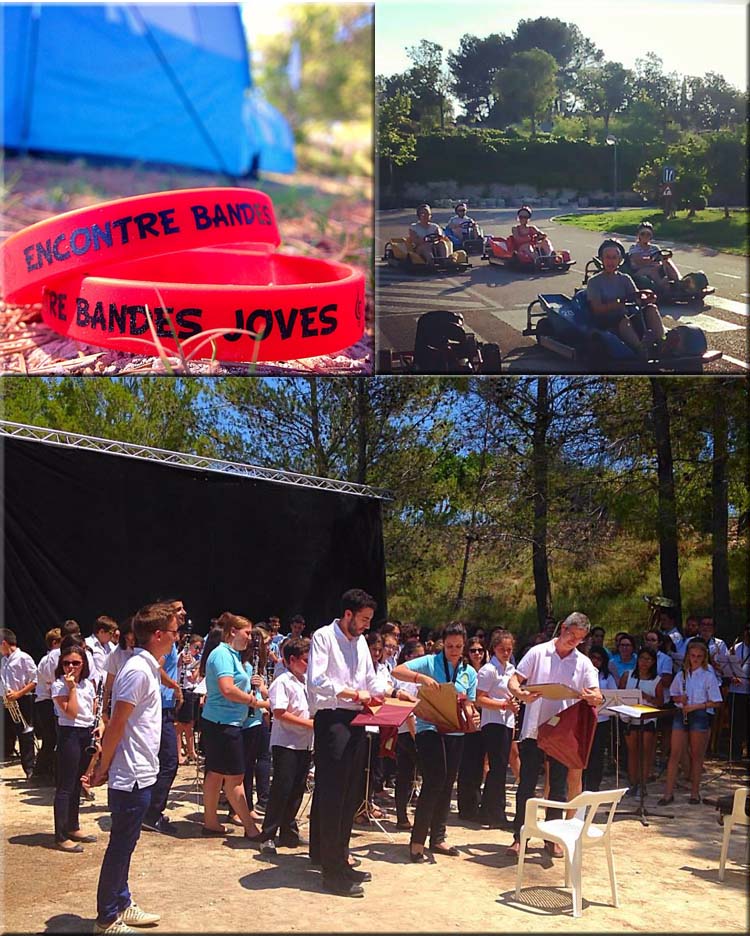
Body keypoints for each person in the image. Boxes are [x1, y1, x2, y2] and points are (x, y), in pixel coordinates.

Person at [90, 601, 177, 934]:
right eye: (172, 632)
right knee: (120, 845)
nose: (176, 638)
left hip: (141, 770)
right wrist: (103, 766)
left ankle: (122, 903)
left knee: (127, 843)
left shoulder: (147, 667)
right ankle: (106, 917)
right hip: (129, 773)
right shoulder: (137, 671)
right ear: (157, 635)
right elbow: (116, 724)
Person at [505, 611, 602, 859]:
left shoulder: (583, 662)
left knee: (557, 787)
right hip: (534, 728)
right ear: (563, 629)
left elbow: (597, 694)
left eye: (580, 638)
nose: (574, 641)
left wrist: (593, 697)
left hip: (561, 732)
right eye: (572, 635)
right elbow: (514, 681)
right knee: (526, 784)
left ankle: (552, 838)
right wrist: (522, 694)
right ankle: (520, 836)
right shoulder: (538, 652)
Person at [306, 588, 382, 897]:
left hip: (357, 720)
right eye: (363, 619)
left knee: (350, 792)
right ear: (348, 614)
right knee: (333, 792)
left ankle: (338, 857)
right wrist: (353, 694)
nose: (366, 626)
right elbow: (317, 680)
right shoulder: (323, 637)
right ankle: (331, 873)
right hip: (333, 719)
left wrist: (381, 692)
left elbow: (369, 677)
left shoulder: (361, 641)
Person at [391, 621, 479, 863]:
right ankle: (417, 840)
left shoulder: (469, 672)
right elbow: (396, 671)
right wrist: (422, 678)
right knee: (434, 780)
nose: (453, 650)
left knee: (448, 782)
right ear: (443, 644)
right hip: (428, 726)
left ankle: (438, 837)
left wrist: (472, 713)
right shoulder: (430, 662)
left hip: (455, 730)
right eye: (449, 645)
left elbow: (470, 702)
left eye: (458, 646)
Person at [199, 612, 263, 839]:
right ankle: (251, 828)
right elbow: (227, 688)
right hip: (223, 724)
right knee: (235, 779)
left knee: (216, 774)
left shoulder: (231, 655)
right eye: (247, 632)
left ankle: (211, 822)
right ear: (233, 631)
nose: (250, 637)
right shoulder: (223, 654)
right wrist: (254, 701)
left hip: (222, 722)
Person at [259, 637, 314, 855]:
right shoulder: (282, 682)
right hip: (287, 743)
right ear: (292, 660)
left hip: (305, 743)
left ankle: (288, 830)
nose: (309, 665)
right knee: (281, 788)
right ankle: (268, 834)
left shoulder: (306, 683)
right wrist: (310, 723)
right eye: (306, 660)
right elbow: (280, 713)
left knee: (297, 789)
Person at [51, 641, 101, 852]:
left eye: (76, 663)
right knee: (66, 785)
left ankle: (73, 826)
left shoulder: (89, 684)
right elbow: (71, 712)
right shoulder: (59, 685)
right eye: (66, 663)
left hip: (85, 733)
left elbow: (93, 710)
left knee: (78, 784)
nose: (71, 667)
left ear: (84, 664)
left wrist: (99, 728)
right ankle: (61, 835)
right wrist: (71, 688)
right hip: (69, 733)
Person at [659, 639, 722, 805]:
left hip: (699, 713)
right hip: (682, 713)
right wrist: (681, 698)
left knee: (696, 755)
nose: (695, 659)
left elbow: (716, 701)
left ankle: (695, 793)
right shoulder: (681, 675)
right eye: (693, 655)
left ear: (704, 658)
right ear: (688, 656)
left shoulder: (708, 676)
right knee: (675, 753)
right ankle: (668, 793)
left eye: (699, 656)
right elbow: (673, 695)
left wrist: (696, 706)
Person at [141, 598, 185, 836]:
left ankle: (152, 810)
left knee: (164, 760)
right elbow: (156, 667)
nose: (183, 612)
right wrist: (175, 686)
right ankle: (151, 813)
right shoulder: (162, 643)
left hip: (165, 704)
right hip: (160, 703)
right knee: (169, 760)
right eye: (178, 610)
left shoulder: (174, 641)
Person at [586, 238, 665, 355]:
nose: (611, 261)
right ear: (601, 259)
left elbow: (636, 296)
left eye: (614, 258)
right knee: (623, 320)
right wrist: (619, 303)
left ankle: (661, 343)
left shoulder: (624, 278)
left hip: (626, 314)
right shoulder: (594, 281)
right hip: (606, 320)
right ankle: (640, 349)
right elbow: (597, 308)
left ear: (620, 260)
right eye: (607, 257)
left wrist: (646, 298)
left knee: (651, 309)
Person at [475, 629, 518, 829]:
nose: (506, 653)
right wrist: (502, 705)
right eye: (502, 649)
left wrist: (513, 705)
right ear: (494, 649)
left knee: (501, 768)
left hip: (506, 721)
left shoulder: (510, 669)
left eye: (509, 649)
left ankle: (491, 810)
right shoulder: (488, 670)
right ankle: (493, 812)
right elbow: (480, 698)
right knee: (497, 767)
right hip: (493, 721)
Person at [620, 647, 664, 797]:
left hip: (647, 718)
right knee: (632, 752)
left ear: (653, 662)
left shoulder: (656, 680)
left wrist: (646, 697)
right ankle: (633, 783)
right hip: (630, 718)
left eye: (648, 659)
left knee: (645, 753)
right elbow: (619, 694)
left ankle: (643, 784)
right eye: (642, 658)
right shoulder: (628, 675)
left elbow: (660, 701)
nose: (644, 662)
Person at [391, 640, 424, 830]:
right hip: (408, 731)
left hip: (418, 730)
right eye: (417, 657)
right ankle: (402, 817)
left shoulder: (422, 677)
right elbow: (408, 709)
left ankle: (410, 817)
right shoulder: (402, 678)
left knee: (413, 775)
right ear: (407, 657)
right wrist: (415, 735)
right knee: (405, 775)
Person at [457, 636, 488, 821]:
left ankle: (474, 803)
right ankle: (466, 808)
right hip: (467, 719)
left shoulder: (486, 671)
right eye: (473, 650)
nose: (477, 653)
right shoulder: (464, 671)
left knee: (479, 765)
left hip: (483, 719)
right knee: (467, 765)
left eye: (480, 650)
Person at [0, 628, 38, 779]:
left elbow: (35, 680)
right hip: (6, 700)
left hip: (22, 699)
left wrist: (18, 693)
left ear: (4, 643)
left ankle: (29, 768)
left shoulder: (23, 658)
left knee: (25, 733)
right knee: (7, 732)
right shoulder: (3, 660)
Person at [582, 646, 618, 792]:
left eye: (599, 659)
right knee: (584, 754)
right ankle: (581, 784)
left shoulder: (606, 677)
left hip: (601, 720)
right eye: (593, 658)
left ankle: (593, 786)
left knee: (597, 755)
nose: (595, 661)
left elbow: (613, 696)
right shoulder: (583, 674)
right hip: (584, 720)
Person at [33, 627, 63, 785]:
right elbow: (53, 680)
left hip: (49, 700)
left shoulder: (50, 657)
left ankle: (46, 770)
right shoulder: (53, 657)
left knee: (52, 738)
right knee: (51, 737)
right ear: (55, 643)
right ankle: (40, 771)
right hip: (47, 701)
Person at [627, 222, 682, 297]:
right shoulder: (634, 248)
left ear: (651, 236)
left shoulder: (654, 248)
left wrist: (664, 259)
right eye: (643, 234)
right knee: (652, 270)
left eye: (648, 234)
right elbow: (638, 261)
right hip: (639, 271)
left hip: (656, 267)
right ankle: (661, 287)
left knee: (667, 262)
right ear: (638, 235)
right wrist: (652, 260)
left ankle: (679, 282)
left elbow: (660, 258)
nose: (645, 236)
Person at [726, 625, 749, 762]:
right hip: (736, 690)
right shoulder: (735, 648)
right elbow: (726, 666)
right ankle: (735, 753)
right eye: (747, 630)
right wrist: (731, 677)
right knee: (736, 723)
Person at [85, 617, 117, 682]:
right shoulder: (87, 644)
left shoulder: (111, 646)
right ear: (101, 632)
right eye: (110, 633)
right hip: (94, 686)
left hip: (109, 686)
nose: (112, 636)